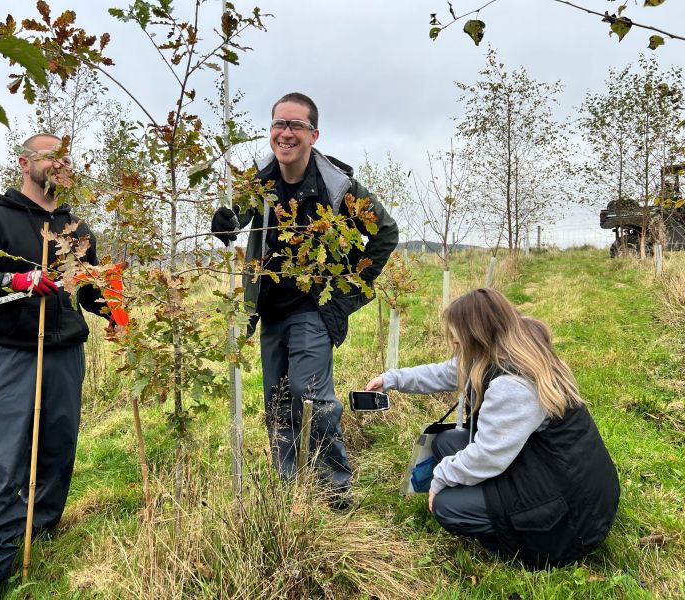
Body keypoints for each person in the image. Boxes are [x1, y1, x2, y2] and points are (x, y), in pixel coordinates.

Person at [211, 92, 398, 505]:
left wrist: (350, 289)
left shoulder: (338, 187)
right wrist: (224, 222)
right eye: (279, 123)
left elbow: (386, 232)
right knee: (278, 400)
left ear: (314, 134)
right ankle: (289, 489)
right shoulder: (259, 182)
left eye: (296, 125)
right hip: (270, 310)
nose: (286, 132)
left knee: (309, 392)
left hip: (314, 308)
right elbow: (235, 220)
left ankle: (335, 488)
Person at [0, 134, 110, 599]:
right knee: (2, 456)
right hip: (11, 352)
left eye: (66, 158)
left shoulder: (77, 229)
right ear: (24, 163)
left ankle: (38, 526)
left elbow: (87, 289)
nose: (60, 165)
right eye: (50, 157)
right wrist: (12, 280)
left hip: (65, 352)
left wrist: (116, 312)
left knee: (58, 446)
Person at [365, 288, 620, 567]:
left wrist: (439, 479)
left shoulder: (513, 384)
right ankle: (496, 501)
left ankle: (523, 543)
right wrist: (391, 379)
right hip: (546, 465)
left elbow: (487, 456)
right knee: (445, 442)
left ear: (476, 334)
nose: (454, 341)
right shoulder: (506, 351)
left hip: (572, 514)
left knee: (447, 506)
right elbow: (443, 372)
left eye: (457, 334)